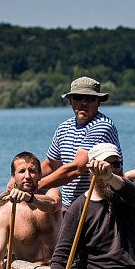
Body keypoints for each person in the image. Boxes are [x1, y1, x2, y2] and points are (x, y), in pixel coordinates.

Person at [0, 151, 62, 269]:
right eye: (22, 171)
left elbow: (53, 204)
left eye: (32, 171)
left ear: (40, 174)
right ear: (13, 176)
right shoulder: (5, 213)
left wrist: (31, 198)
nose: (27, 176)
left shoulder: (52, 194)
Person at [38, 76, 122, 208]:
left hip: (99, 206)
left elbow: (76, 169)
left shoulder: (102, 126)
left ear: (98, 102)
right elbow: (50, 164)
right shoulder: (63, 128)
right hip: (69, 206)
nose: (84, 103)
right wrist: (25, 178)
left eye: (89, 98)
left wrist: (35, 186)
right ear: (70, 101)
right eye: (78, 97)